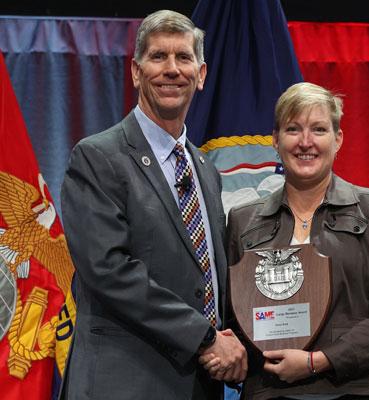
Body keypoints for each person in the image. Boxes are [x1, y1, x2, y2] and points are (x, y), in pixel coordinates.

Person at [59, 10, 246, 400]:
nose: (172, 69)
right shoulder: (98, 158)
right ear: (136, 71)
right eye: (158, 57)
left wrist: (243, 346)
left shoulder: (206, 171)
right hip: (125, 381)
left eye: (183, 58)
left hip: (198, 384)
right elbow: (109, 269)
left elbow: (210, 279)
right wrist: (205, 338)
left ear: (202, 74)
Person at [218, 82, 369, 399]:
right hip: (269, 391)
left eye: (319, 129)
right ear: (276, 140)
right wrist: (227, 354)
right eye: (293, 129)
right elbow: (235, 320)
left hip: (357, 390)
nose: (305, 142)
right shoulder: (242, 220)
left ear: (338, 140)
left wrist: (317, 362)